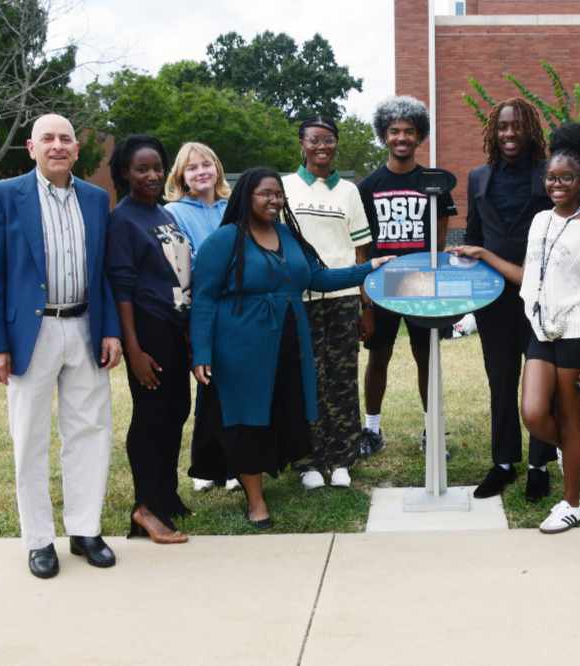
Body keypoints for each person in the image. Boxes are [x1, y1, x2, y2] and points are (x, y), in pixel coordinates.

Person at [189, 168, 393, 528]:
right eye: (265, 194)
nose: (274, 200)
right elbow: (203, 299)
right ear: (246, 196)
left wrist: (368, 268)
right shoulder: (225, 240)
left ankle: (267, 472)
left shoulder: (288, 235)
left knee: (277, 411)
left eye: (278, 194)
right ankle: (255, 501)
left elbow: (318, 278)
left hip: (288, 339)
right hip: (240, 344)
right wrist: (201, 352)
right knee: (246, 418)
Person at [0, 113, 122, 579]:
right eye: (48, 139)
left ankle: (84, 530)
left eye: (66, 139)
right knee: (30, 438)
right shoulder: (1, 196)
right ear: (31, 147)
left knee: (90, 430)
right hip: (29, 336)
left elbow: (104, 272)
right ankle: (39, 540)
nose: (57, 145)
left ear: (77, 150)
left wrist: (111, 329)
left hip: (83, 326)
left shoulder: (97, 200)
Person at [454, 123, 580, 534]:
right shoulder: (540, 220)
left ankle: (571, 501)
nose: (558, 184)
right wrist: (483, 252)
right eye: (552, 178)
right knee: (534, 413)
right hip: (540, 331)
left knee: (569, 419)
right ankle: (571, 454)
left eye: (566, 178)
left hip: (575, 334)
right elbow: (527, 277)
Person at [462, 97, 559, 501]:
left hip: (541, 294)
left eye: (516, 126)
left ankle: (539, 463)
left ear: (530, 130)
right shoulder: (478, 178)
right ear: (492, 132)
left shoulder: (549, 176)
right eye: (502, 127)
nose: (508, 134)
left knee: (541, 381)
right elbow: (473, 236)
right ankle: (503, 462)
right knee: (499, 378)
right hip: (494, 297)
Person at [358, 96, 457, 453]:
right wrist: (365, 298)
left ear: (420, 137)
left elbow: (441, 237)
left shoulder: (434, 181)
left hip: (420, 281)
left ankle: (432, 430)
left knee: (426, 356)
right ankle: (372, 429)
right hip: (382, 279)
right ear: (384, 136)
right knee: (378, 355)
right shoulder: (369, 186)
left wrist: (434, 276)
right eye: (394, 131)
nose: (402, 138)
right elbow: (361, 244)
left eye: (409, 132)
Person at [106, 134, 192, 545]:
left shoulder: (162, 213)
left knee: (176, 410)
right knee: (151, 417)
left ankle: (166, 495)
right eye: (142, 169)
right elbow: (121, 288)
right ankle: (144, 508)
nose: (153, 175)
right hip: (148, 329)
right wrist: (133, 348)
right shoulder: (123, 220)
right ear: (125, 173)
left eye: (157, 167)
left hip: (176, 328)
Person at [283, 117, 374, 490]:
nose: (323, 146)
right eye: (315, 140)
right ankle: (307, 461)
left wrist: (366, 305)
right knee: (304, 378)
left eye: (330, 140)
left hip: (342, 297)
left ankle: (341, 458)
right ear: (302, 144)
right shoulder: (286, 187)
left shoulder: (349, 192)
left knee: (341, 379)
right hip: (299, 298)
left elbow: (361, 249)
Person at [162, 141, 238, 494]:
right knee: (207, 385)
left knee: (235, 387)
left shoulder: (232, 206)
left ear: (217, 168)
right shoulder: (174, 212)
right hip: (200, 307)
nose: (201, 172)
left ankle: (236, 464)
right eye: (192, 168)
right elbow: (182, 262)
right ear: (181, 176)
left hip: (237, 306)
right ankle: (205, 466)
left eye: (206, 164)